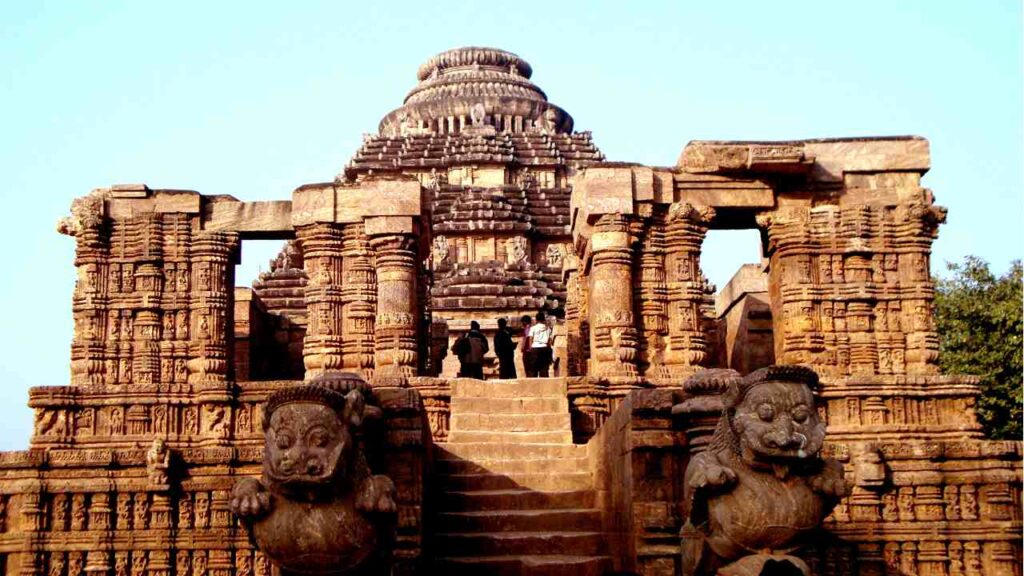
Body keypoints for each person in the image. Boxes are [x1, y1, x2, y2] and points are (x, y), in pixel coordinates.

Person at [527, 311, 553, 377]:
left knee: (533, 370)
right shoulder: (548, 329)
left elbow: (530, 340)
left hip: (535, 348)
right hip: (545, 348)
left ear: (536, 319)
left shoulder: (533, 328)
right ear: (543, 319)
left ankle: (533, 385)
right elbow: (549, 341)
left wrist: (531, 349)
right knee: (544, 369)